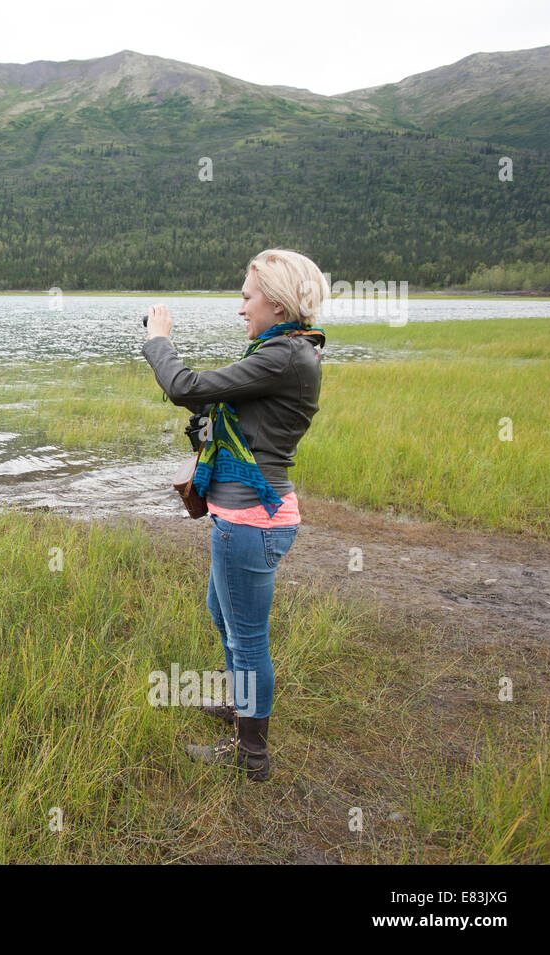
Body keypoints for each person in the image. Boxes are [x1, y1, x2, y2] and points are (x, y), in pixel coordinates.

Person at [141, 249, 327, 782]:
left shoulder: (286, 356)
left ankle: (252, 755)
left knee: (248, 640)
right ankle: (237, 704)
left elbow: (185, 386)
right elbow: (227, 405)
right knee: (222, 616)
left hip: (253, 523)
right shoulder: (284, 352)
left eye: (247, 297)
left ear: (277, 298)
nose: (241, 308)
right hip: (241, 517)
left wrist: (159, 341)